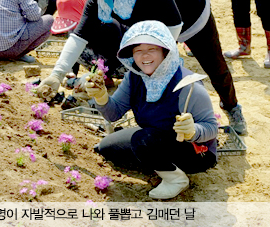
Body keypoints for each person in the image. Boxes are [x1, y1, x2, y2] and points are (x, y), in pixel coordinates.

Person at [38, 0, 247, 135]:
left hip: (191, 18)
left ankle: (232, 107)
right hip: (151, 27)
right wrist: (56, 75)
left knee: (215, 67)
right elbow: (79, 36)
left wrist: (157, 61)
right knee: (144, 69)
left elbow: (173, 26)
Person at [86, 20, 217, 199]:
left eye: (152, 49)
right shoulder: (134, 78)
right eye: (138, 50)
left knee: (142, 141)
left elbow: (211, 128)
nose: (144, 56)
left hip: (194, 151)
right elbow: (113, 113)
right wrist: (101, 97)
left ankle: (175, 178)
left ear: (166, 51)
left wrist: (193, 131)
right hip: (155, 137)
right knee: (107, 148)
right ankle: (157, 160)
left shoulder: (187, 84)